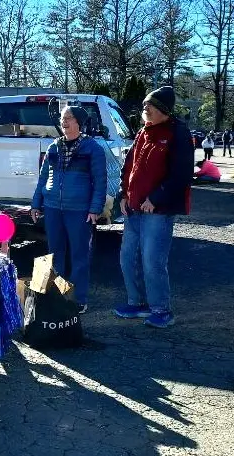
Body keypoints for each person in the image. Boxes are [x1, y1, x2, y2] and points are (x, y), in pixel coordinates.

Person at [114, 86, 193, 328]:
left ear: (163, 110)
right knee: (127, 259)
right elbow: (129, 167)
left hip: (157, 211)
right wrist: (123, 195)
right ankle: (136, 303)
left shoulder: (178, 133)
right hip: (133, 209)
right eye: (145, 105)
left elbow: (182, 174)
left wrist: (156, 198)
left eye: (150, 105)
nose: (144, 108)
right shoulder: (142, 132)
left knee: (152, 261)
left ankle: (161, 309)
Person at [31, 104, 107, 314]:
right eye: (63, 118)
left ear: (80, 123)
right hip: (53, 207)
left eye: (69, 118)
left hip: (80, 209)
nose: (64, 122)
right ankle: (59, 296)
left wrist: (95, 208)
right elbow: (43, 177)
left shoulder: (93, 148)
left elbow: (100, 182)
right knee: (55, 254)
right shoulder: (54, 147)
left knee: (79, 255)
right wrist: (36, 202)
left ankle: (78, 299)